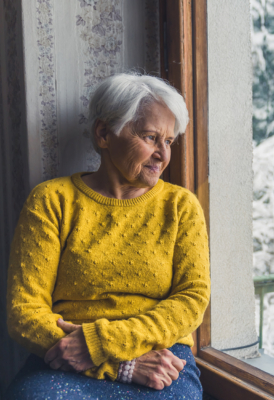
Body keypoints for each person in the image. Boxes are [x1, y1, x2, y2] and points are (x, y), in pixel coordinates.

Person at [6, 73, 210, 399]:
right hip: (66, 353)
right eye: (150, 137)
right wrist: (117, 364)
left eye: (169, 141)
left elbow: (191, 301)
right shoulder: (51, 200)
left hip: (161, 357)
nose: (163, 155)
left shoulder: (181, 206)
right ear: (104, 133)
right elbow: (24, 311)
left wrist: (103, 343)